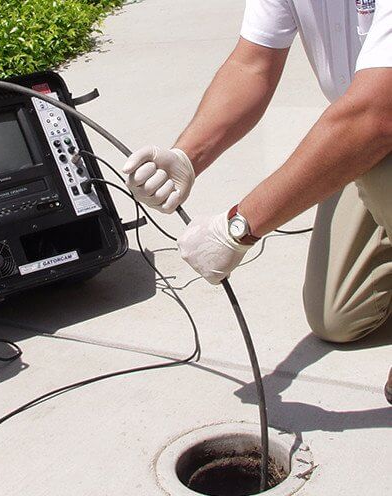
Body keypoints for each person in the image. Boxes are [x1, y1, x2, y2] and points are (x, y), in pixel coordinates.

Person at [122, 0, 392, 404]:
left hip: (378, 122)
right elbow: (253, 65)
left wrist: (239, 227)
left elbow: (376, 115)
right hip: (372, 132)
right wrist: (185, 157)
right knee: (338, 313)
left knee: (368, 143)